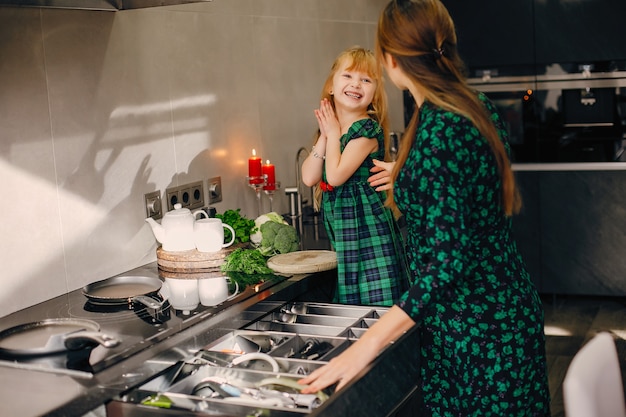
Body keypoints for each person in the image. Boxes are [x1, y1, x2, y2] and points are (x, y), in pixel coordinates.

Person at [299, 1, 552, 416]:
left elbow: (445, 266)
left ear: (389, 61)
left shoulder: (439, 128)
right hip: (489, 315)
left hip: (477, 332)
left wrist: (365, 347)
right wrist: (409, 170)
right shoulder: (464, 104)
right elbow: (471, 180)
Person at [300, 46, 408, 307]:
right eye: (348, 76)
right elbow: (308, 177)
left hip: (370, 236)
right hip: (348, 236)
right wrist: (325, 136)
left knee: (378, 301)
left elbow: (335, 176)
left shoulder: (366, 130)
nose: (356, 84)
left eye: (366, 80)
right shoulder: (332, 130)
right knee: (354, 301)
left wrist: (333, 133)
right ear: (331, 86)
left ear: (373, 95)